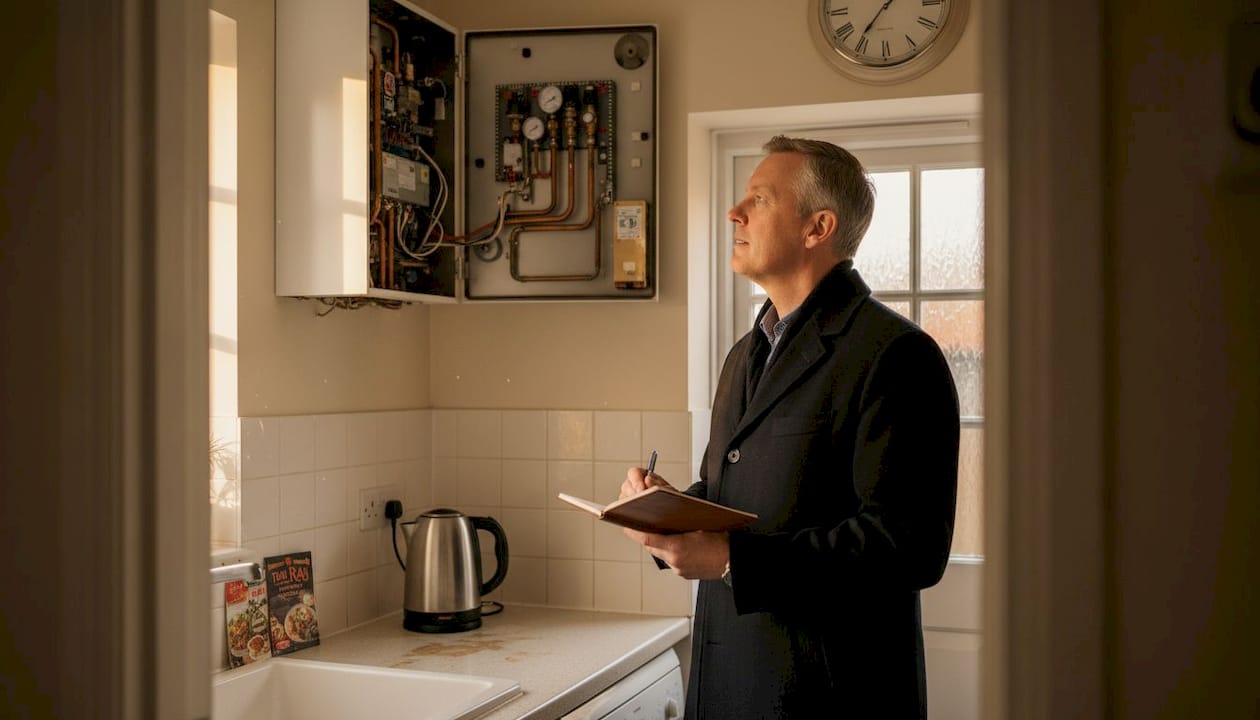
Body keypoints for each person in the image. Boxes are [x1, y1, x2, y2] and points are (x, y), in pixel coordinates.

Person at [620, 136, 960, 718]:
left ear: (816, 227)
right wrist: (667, 514)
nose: (735, 212)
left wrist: (731, 561)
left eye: (759, 199)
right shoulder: (743, 354)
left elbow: (907, 548)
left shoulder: (898, 355)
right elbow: (731, 500)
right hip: (727, 684)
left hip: (830, 699)